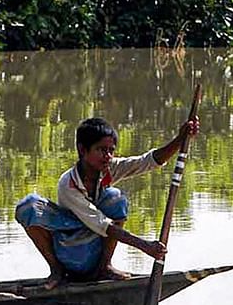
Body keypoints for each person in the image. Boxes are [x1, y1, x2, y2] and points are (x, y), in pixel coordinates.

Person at [15, 114, 199, 288]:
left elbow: (148, 161)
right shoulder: (68, 184)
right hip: (69, 247)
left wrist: (180, 139)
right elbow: (102, 224)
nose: (108, 156)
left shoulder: (109, 169)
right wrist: (144, 246)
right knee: (28, 206)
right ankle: (56, 270)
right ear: (82, 149)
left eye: (111, 151)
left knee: (115, 198)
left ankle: (104, 267)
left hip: (92, 245)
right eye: (101, 150)